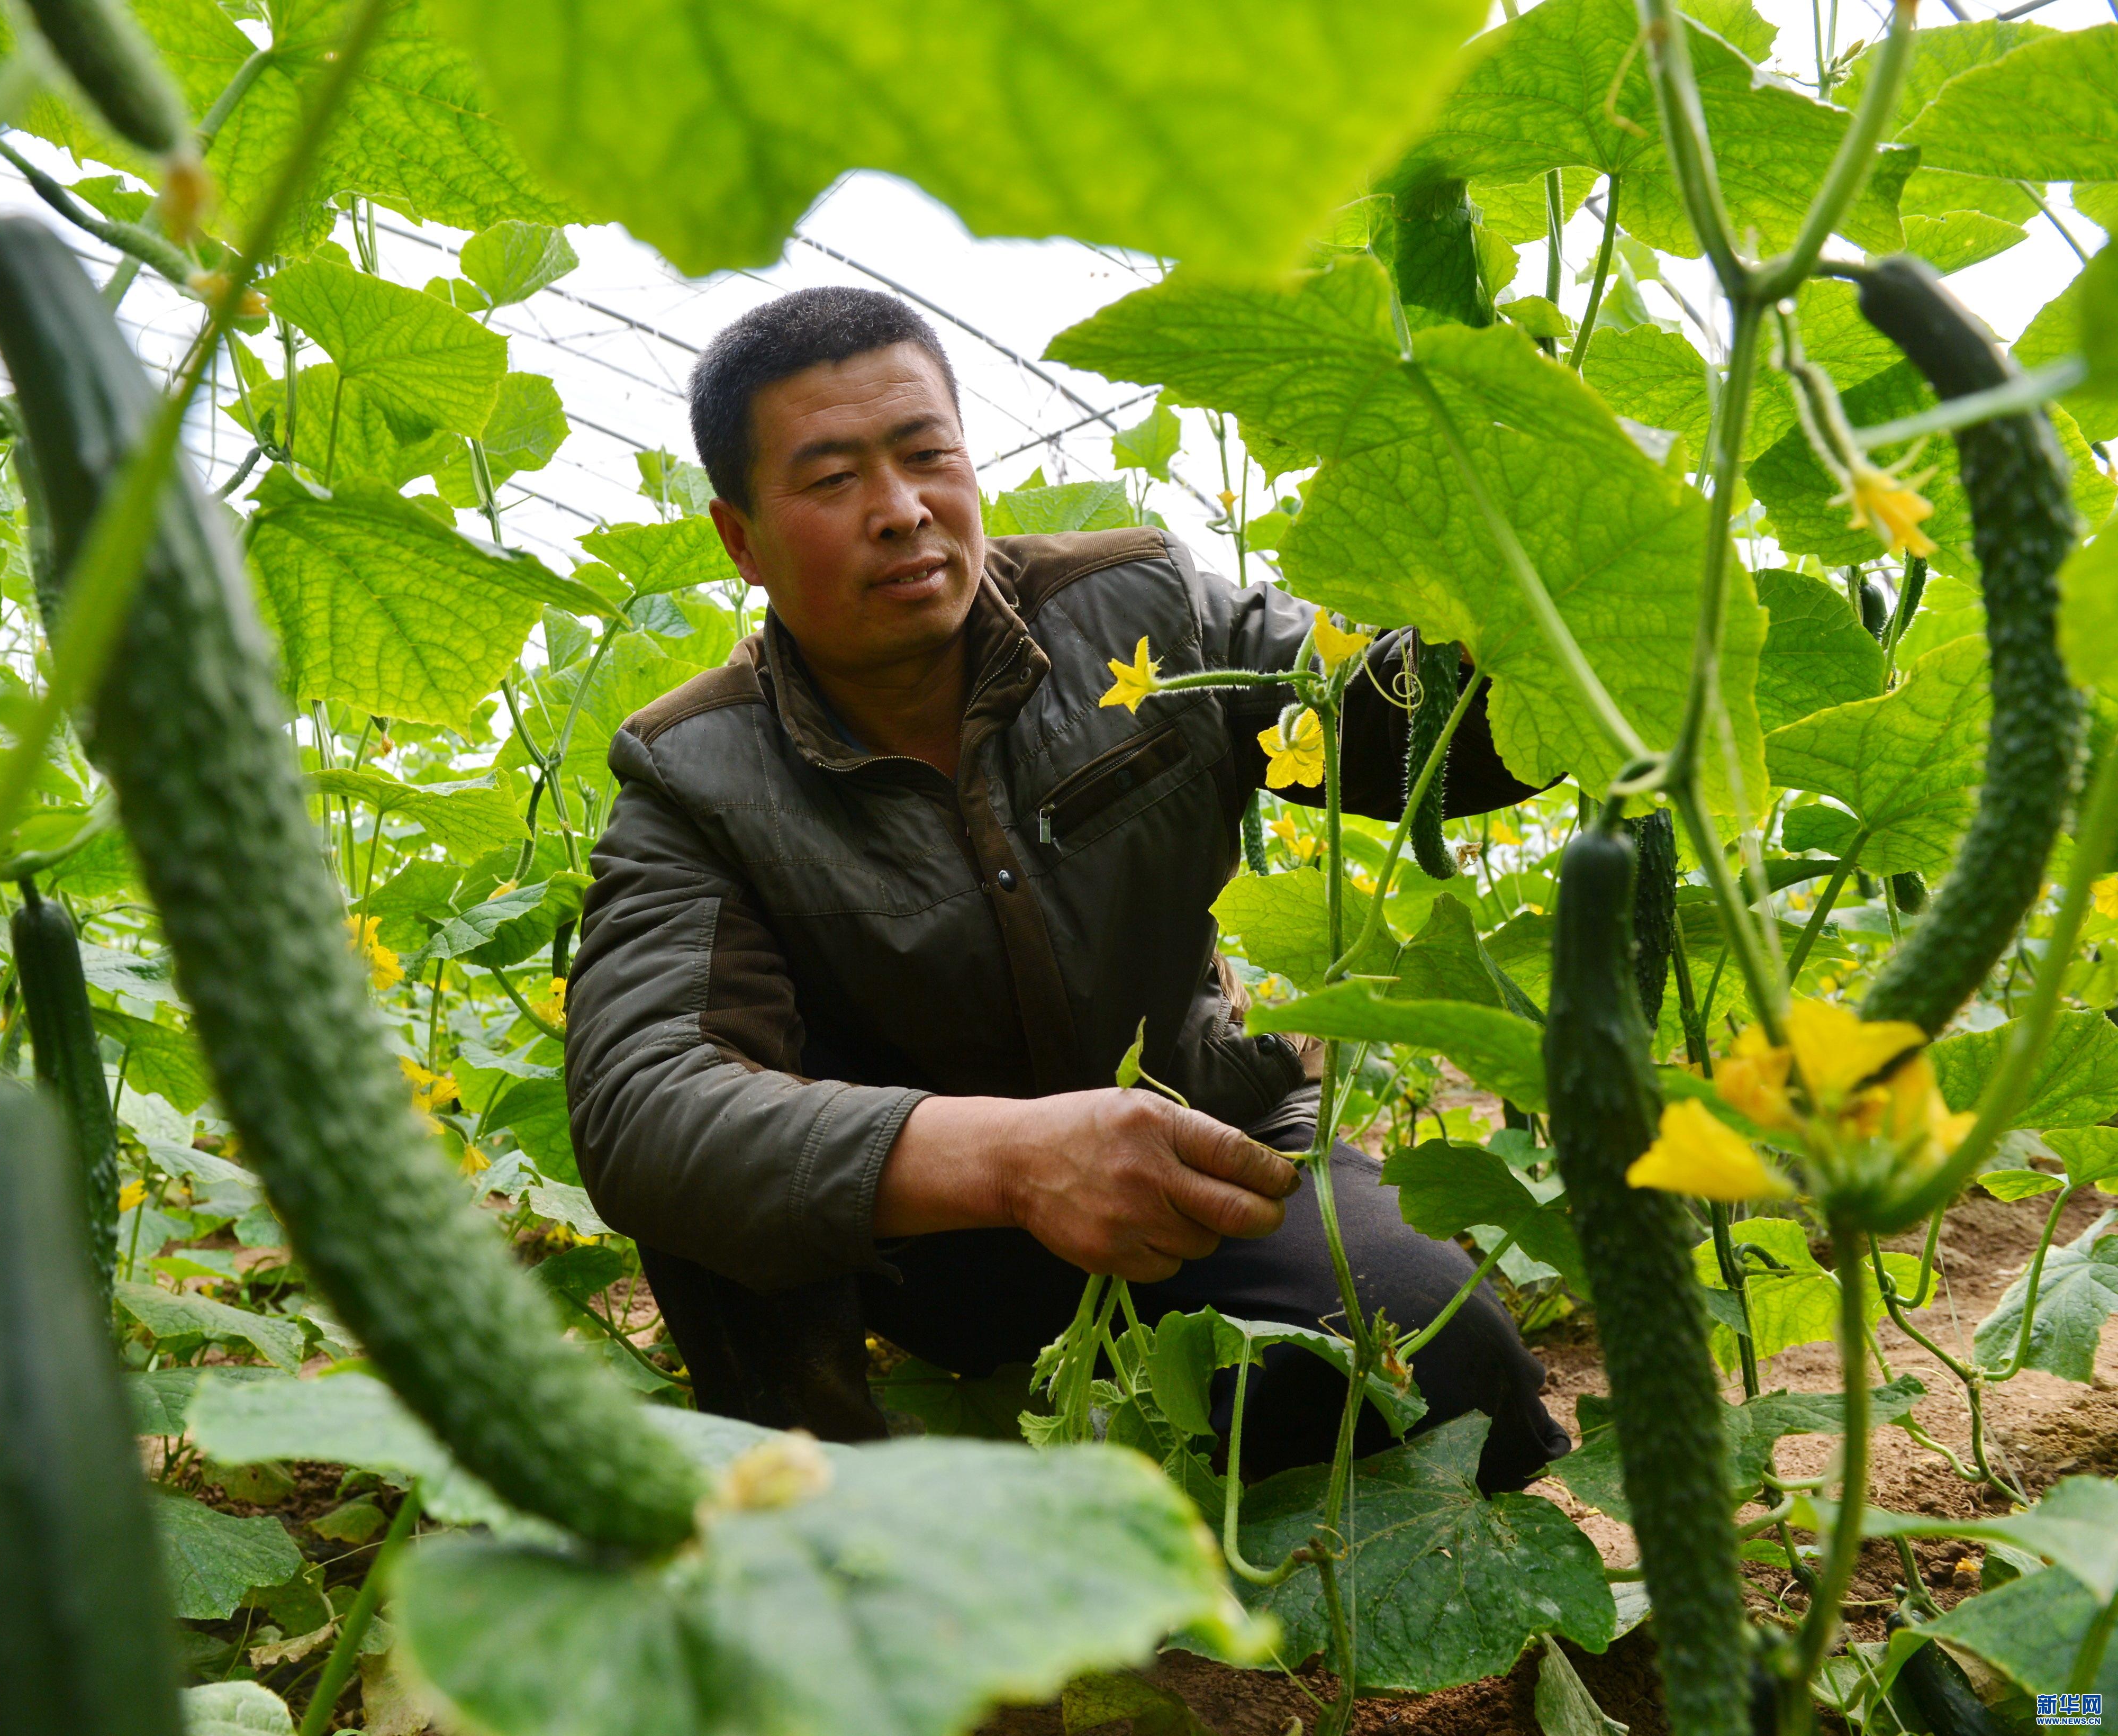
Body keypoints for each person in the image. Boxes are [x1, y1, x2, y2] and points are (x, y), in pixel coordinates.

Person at [563, 285, 1567, 1493]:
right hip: (920, 1253)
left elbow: (1435, 731)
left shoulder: (1145, 610)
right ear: (741, 539)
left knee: (1448, 1365)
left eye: (927, 454)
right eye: (831, 481)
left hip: (1202, 1159)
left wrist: (1511, 528)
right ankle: (830, 1527)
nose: (900, 510)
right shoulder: (693, 776)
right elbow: (642, 1107)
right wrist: (1007, 1155)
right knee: (713, 1186)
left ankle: (1173, 1493)